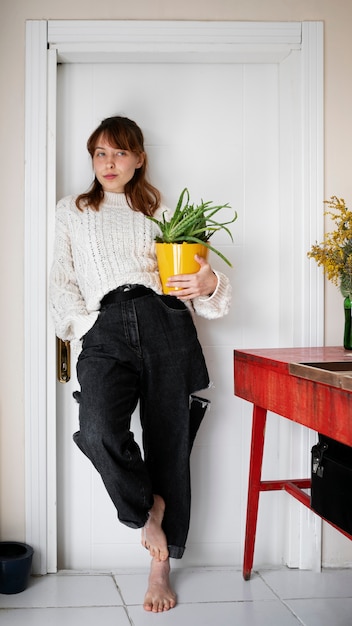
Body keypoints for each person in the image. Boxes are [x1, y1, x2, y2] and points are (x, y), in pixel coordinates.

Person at [49, 115, 232, 613]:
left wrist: (210, 284)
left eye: (120, 153)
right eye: (100, 153)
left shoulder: (164, 213)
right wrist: (87, 327)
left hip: (164, 320)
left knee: (170, 441)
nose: (109, 163)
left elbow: (207, 290)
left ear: (139, 158)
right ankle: (144, 509)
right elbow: (61, 282)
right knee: (99, 428)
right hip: (104, 326)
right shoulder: (72, 210)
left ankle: (160, 568)